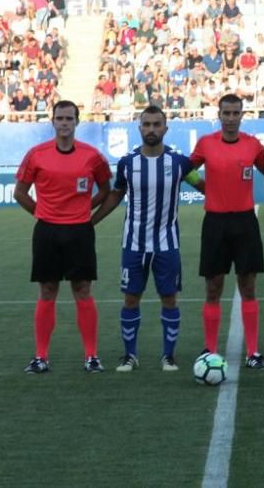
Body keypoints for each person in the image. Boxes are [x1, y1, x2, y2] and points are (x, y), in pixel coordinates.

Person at [92, 105, 205, 372]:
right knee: (131, 299)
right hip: (134, 244)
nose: (152, 129)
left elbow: (202, 186)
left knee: (169, 299)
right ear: (139, 128)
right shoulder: (127, 163)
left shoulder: (180, 163)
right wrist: (91, 222)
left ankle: (168, 356)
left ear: (166, 128)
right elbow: (116, 195)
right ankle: (130, 355)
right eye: (147, 124)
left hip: (168, 244)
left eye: (157, 124)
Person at [13, 100, 113, 373]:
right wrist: (43, 213)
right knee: (47, 291)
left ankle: (91, 356)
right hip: (47, 231)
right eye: (60, 118)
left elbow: (105, 190)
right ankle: (41, 357)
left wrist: (84, 212)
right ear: (53, 121)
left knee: (82, 290)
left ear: (77, 122)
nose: (65, 123)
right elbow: (19, 193)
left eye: (69, 118)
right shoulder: (36, 154)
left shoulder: (93, 156)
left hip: (80, 231)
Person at [190, 94, 264, 368]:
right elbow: (187, 170)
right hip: (215, 223)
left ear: (242, 115)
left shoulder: (253, 145)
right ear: (219, 114)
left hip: (245, 222)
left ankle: (253, 351)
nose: (231, 118)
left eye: (236, 113)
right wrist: (204, 187)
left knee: (248, 287)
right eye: (227, 112)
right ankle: (209, 349)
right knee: (213, 288)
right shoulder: (206, 144)